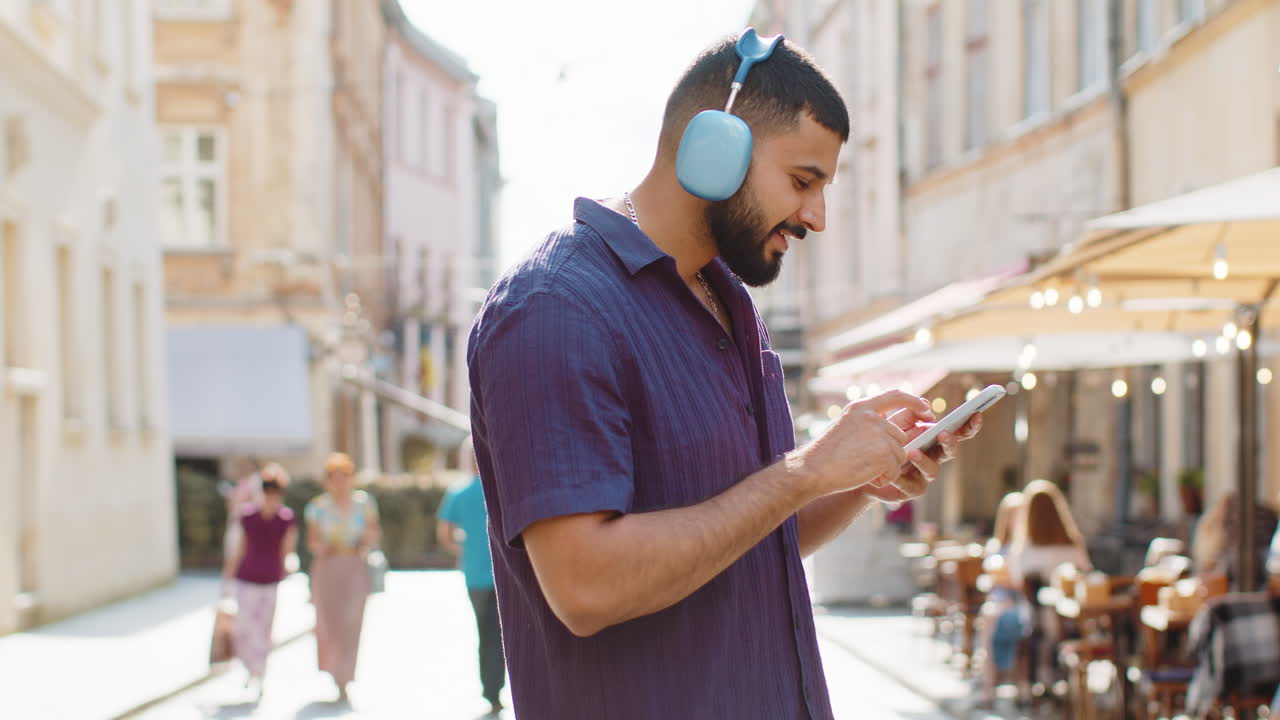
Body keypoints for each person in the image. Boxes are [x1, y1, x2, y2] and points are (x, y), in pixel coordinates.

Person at [466, 30, 984, 719]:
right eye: (803, 181)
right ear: (716, 148)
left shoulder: (731, 304)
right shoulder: (555, 308)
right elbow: (584, 586)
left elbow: (754, 538)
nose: (817, 217)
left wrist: (855, 479)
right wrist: (805, 471)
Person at [304, 452, 380, 703]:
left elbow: (373, 533)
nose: (340, 482)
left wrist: (365, 541)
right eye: (334, 477)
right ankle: (335, 673)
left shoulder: (364, 503)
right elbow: (312, 541)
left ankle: (346, 676)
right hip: (327, 568)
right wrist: (323, 547)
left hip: (355, 565)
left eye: (344, 477)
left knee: (351, 621)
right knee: (329, 622)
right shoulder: (317, 507)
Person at [438, 436, 505, 715]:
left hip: (475, 576)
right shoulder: (503, 489)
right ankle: (502, 688)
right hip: (505, 577)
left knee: (486, 634)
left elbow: (444, 536)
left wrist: (463, 548)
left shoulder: (458, 493)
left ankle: (491, 692)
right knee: (507, 634)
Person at [222, 463, 297, 697]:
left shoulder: (285, 518)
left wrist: (287, 570)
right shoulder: (249, 516)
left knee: (264, 628)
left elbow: (287, 550)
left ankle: (260, 671)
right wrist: (229, 576)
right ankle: (249, 667)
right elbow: (240, 548)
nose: (271, 498)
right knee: (244, 626)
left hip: (270, 579)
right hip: (247, 577)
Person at [222, 459, 263, 579]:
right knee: (232, 555)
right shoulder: (243, 483)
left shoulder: (255, 481)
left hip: (244, 526)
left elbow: (257, 503)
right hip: (236, 524)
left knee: (237, 554)